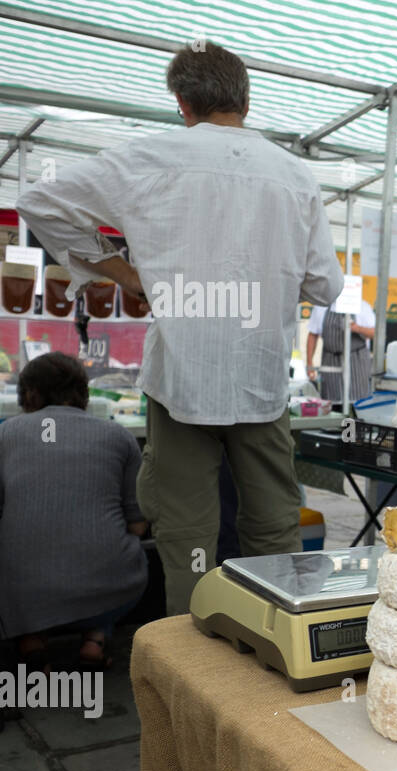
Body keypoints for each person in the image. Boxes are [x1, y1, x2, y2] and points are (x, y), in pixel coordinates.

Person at [17, 42, 343, 615]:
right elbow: (326, 288)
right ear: (243, 100)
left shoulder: (151, 158)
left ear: (183, 102)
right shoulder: (294, 176)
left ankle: (188, 676)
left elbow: (40, 201)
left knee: (188, 537)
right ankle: (277, 651)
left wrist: (126, 273)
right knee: (272, 529)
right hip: (261, 380)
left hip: (183, 379)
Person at [0, 353, 147, 670]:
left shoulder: (5, 435)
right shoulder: (118, 436)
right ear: (83, 393)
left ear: (29, 393)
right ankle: (95, 639)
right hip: (108, 587)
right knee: (130, 556)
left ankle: (32, 639)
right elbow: (138, 525)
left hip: (24, 593)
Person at [306, 298, 376, 405]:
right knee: (331, 403)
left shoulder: (363, 307)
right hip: (330, 361)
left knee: (357, 403)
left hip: (357, 362)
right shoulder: (321, 307)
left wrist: (357, 328)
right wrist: (309, 363)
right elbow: (313, 334)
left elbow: (374, 333)